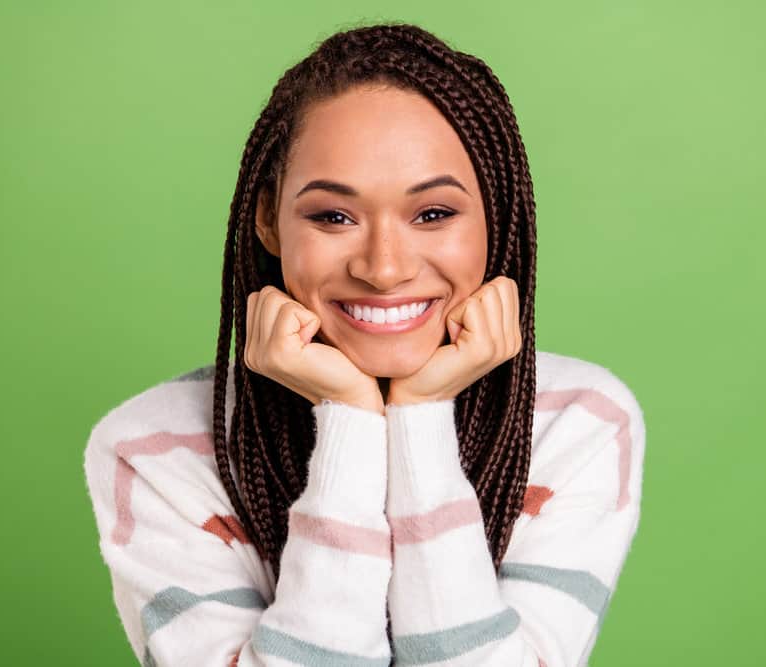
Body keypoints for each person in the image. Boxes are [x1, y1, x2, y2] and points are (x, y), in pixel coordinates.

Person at [83, 22, 646, 667]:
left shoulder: (581, 424)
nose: (383, 268)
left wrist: (420, 418)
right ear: (268, 219)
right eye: (333, 216)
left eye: (433, 214)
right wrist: (349, 421)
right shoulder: (152, 452)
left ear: (497, 216)